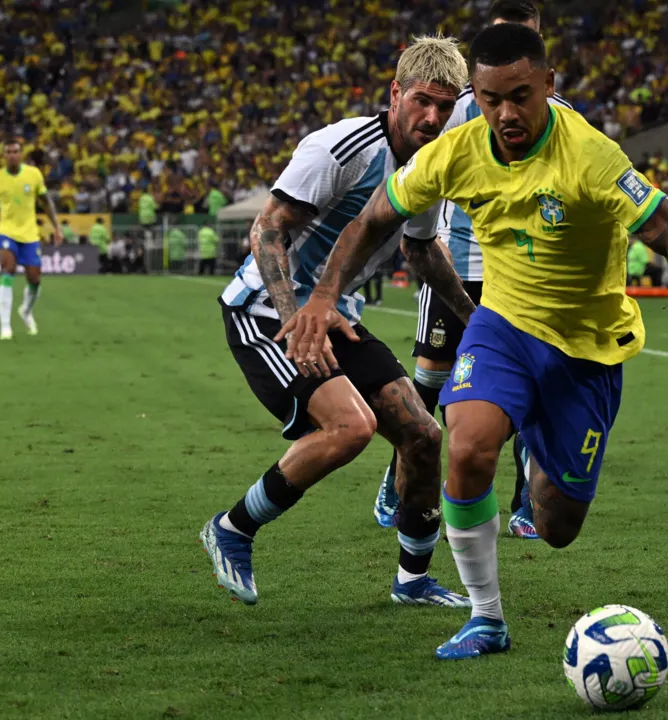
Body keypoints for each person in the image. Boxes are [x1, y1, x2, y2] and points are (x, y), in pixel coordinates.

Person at [278, 23, 668, 659]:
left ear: (549, 84)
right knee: (465, 447)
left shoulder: (593, 158)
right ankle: (486, 618)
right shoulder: (456, 150)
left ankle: (542, 442)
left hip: (585, 347)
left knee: (557, 526)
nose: (506, 114)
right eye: (490, 99)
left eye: (521, 96)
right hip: (503, 326)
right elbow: (375, 216)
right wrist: (323, 296)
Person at [200, 35, 473, 609]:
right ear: (395, 93)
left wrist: (478, 321)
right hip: (266, 313)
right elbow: (268, 230)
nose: (432, 117)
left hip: (337, 318)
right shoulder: (342, 149)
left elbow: (422, 253)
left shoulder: (430, 164)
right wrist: (296, 317)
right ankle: (233, 528)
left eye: (445, 107)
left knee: (423, 436)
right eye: (422, 101)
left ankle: (413, 580)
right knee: (350, 428)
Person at [372, 0, 574, 541]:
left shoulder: (562, 115)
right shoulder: (461, 106)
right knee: (429, 383)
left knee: (529, 387)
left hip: (526, 275)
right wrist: (427, 233)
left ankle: (524, 503)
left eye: (523, 38)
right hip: (455, 265)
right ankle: (398, 481)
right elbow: (426, 172)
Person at [0, 139, 63, 339]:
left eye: (15, 151)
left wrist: (57, 226)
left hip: (30, 234)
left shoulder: (33, 175)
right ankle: (5, 326)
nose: (12, 155)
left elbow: (46, 202)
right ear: (4, 155)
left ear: (21, 154)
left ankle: (25, 311)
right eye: (8, 151)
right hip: (7, 232)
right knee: (8, 270)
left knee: (34, 279)